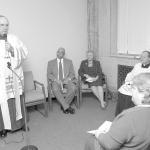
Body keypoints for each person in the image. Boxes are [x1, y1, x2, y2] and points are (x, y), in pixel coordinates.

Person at [84, 72, 150, 150]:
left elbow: (109, 144)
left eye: (133, 88)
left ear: (142, 94)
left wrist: (99, 134)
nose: (131, 92)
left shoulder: (129, 116)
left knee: (91, 140)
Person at [0, 15, 28, 137]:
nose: (5, 27)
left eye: (7, 25)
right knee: (3, 102)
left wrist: (12, 50)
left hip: (14, 77)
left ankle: (21, 124)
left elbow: (25, 53)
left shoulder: (14, 39)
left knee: (17, 100)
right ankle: (3, 128)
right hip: (1, 79)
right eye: (2, 25)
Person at [115, 50, 150, 116]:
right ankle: (121, 114)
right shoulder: (137, 65)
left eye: (144, 57)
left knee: (133, 92)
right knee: (123, 89)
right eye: (141, 56)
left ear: (149, 58)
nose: (141, 58)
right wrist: (127, 82)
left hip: (144, 87)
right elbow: (131, 74)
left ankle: (131, 114)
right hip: (133, 83)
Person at [47, 47, 77, 114]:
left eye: (62, 52)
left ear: (64, 54)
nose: (60, 53)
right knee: (55, 89)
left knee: (73, 88)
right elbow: (49, 74)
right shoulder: (50, 62)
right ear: (56, 53)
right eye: (59, 52)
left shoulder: (69, 62)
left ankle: (64, 105)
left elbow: (72, 73)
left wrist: (68, 79)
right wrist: (55, 80)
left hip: (66, 80)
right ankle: (66, 107)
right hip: (56, 81)